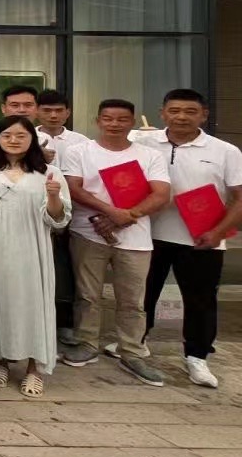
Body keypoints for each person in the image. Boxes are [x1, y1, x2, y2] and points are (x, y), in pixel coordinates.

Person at [134, 89, 242, 388]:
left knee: (200, 300)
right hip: (149, 235)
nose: (181, 117)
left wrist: (218, 232)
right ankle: (136, 342)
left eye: (190, 111)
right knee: (142, 294)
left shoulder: (225, 151)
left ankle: (197, 356)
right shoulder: (143, 143)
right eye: (174, 110)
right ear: (162, 112)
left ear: (204, 115)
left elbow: (239, 198)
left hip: (202, 238)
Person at [60, 99, 171, 386]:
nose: (114, 124)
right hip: (88, 233)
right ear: (98, 121)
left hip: (136, 238)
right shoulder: (79, 151)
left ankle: (132, 351)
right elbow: (73, 188)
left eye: (122, 119)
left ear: (132, 122)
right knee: (87, 295)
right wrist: (111, 212)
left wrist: (128, 215)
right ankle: (87, 343)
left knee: (133, 300)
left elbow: (161, 194)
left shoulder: (149, 155)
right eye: (108, 118)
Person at [0, 116, 71, 397]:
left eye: (21, 135)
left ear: (32, 139)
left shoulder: (49, 173)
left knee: (34, 304)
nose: (13, 140)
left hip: (33, 248)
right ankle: (1, 360)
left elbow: (58, 219)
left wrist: (53, 196)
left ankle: (34, 368)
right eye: (7, 135)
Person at [35, 89, 89, 343]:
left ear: (68, 112)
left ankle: (66, 323)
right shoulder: (26, 136)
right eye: (47, 110)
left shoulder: (81, 142)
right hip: (38, 213)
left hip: (75, 215)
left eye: (59, 110)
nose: (53, 115)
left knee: (68, 271)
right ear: (37, 111)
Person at [0, 86, 40, 151]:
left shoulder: (43, 137)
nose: (22, 110)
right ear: (3, 108)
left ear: (37, 108)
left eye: (28, 105)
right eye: (15, 105)